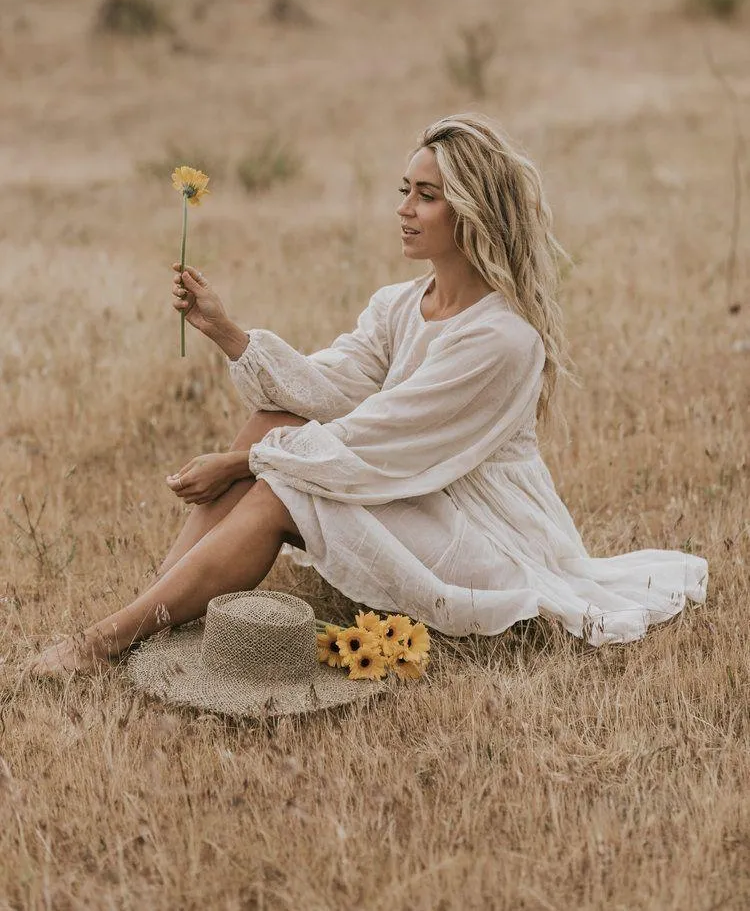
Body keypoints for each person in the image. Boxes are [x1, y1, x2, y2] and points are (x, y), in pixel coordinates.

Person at [28, 112, 708, 675]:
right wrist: (228, 332)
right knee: (273, 420)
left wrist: (239, 464)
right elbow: (328, 388)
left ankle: (104, 641)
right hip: (412, 480)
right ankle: (159, 610)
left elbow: (375, 440)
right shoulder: (401, 304)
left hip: (481, 526)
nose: (404, 210)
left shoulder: (502, 340)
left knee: (281, 486)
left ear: (471, 212)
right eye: (404, 189)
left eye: (426, 195)